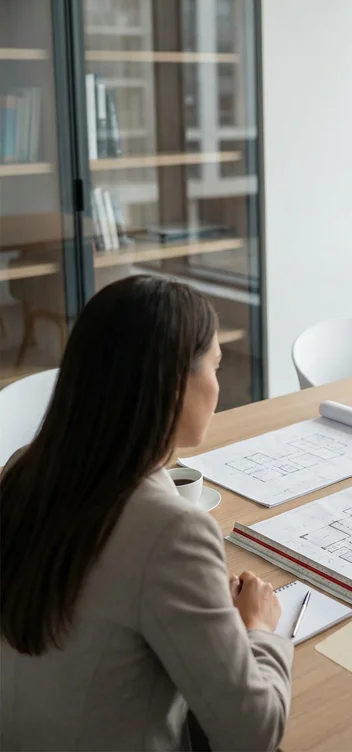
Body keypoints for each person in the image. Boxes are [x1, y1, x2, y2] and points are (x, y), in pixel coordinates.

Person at [0, 275, 292, 752]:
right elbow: (251, 734)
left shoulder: (22, 471)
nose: (219, 387)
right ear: (176, 383)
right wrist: (259, 627)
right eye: (215, 367)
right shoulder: (173, 530)